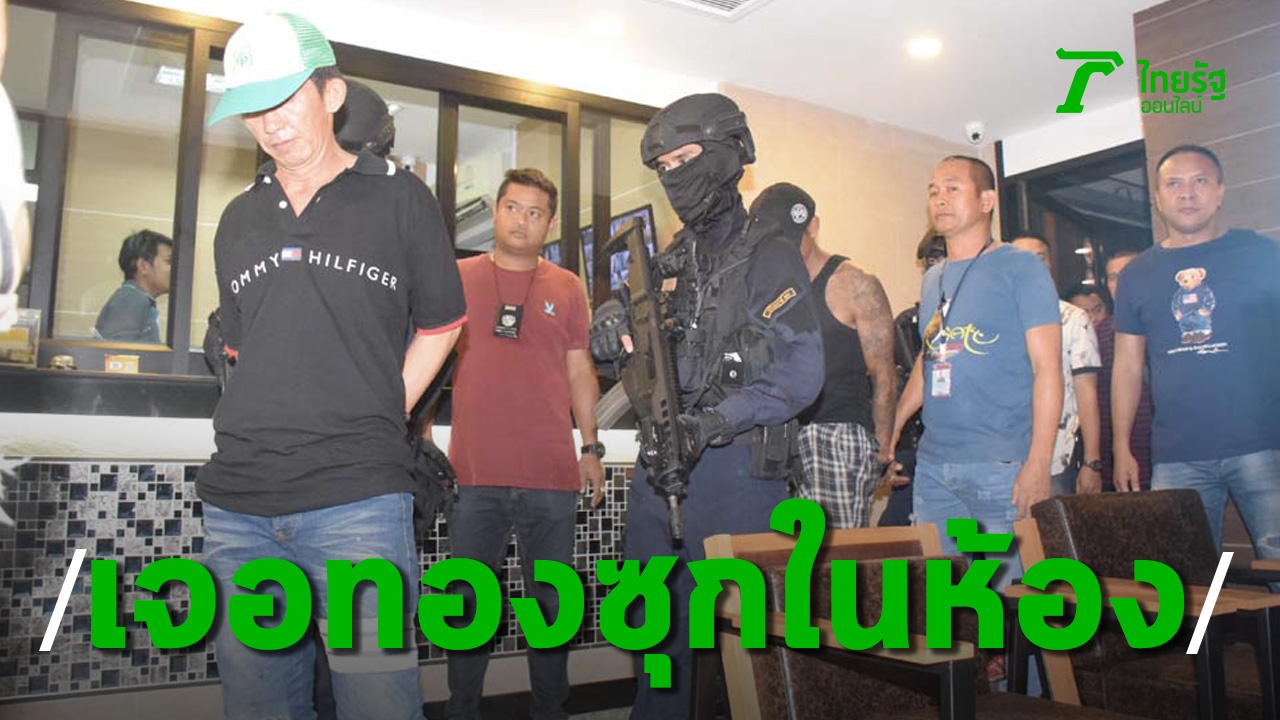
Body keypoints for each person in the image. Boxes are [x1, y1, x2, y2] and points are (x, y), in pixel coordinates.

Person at [197, 13, 465, 720]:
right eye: (252, 108)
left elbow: (443, 322)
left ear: (332, 93)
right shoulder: (237, 219)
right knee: (259, 708)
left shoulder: (401, 198)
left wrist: (384, 408)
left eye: (285, 99)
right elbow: (244, 347)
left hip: (357, 501)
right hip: (240, 504)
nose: (270, 123)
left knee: (379, 704)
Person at [591, 92, 822, 719]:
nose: (675, 176)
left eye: (686, 158)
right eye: (663, 167)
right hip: (661, 467)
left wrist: (716, 422)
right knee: (655, 632)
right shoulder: (672, 258)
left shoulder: (768, 251)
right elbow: (638, 341)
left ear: (728, 154)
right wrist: (611, 321)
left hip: (736, 471)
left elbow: (803, 372)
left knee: (757, 653)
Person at [443, 168, 604, 720]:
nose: (521, 221)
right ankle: (461, 710)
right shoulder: (457, 277)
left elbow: (580, 369)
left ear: (550, 224)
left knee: (551, 610)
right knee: (468, 606)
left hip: (551, 478)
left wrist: (591, 447)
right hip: (473, 476)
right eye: (512, 208)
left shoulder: (568, 286)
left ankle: (549, 711)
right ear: (495, 211)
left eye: (535, 213)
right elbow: (428, 356)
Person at [889, 155, 1062, 588]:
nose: (939, 198)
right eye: (933, 190)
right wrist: (892, 429)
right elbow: (929, 360)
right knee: (948, 599)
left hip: (1001, 465)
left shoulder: (1021, 267)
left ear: (987, 201)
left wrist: (1038, 462)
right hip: (934, 467)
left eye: (952, 188)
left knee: (1016, 594)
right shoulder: (933, 279)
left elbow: (1048, 369)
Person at [1112, 145, 1280, 564]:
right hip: (1176, 453)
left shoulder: (1262, 255)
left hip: (1262, 444)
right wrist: (1120, 446)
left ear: (1220, 191)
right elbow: (1127, 366)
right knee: (1183, 577)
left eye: (1200, 181)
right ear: (1157, 198)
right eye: (1174, 184)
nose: (1187, 193)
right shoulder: (1137, 274)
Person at [748, 182, 895, 528]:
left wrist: (883, 449)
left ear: (812, 227)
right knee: (780, 555)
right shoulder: (767, 291)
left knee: (833, 555)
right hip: (778, 439)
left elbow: (884, 374)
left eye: (790, 240)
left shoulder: (854, 285)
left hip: (835, 436)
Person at [1010, 233, 1103, 495]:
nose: (1030, 265)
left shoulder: (1073, 318)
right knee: (998, 523)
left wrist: (1092, 462)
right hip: (1002, 459)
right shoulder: (995, 318)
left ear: (1049, 264)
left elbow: (1087, 393)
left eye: (1038, 258)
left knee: (1051, 522)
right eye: (1020, 259)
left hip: (1057, 458)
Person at [879, 231, 946, 527]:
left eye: (942, 257)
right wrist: (888, 442)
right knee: (896, 534)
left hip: (968, 447)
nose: (937, 267)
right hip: (914, 444)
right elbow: (892, 385)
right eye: (931, 260)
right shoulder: (907, 323)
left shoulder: (982, 317)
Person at [93, 230, 173, 342]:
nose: (176, 269)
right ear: (143, 266)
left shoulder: (136, 298)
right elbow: (118, 351)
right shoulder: (129, 301)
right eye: (169, 261)